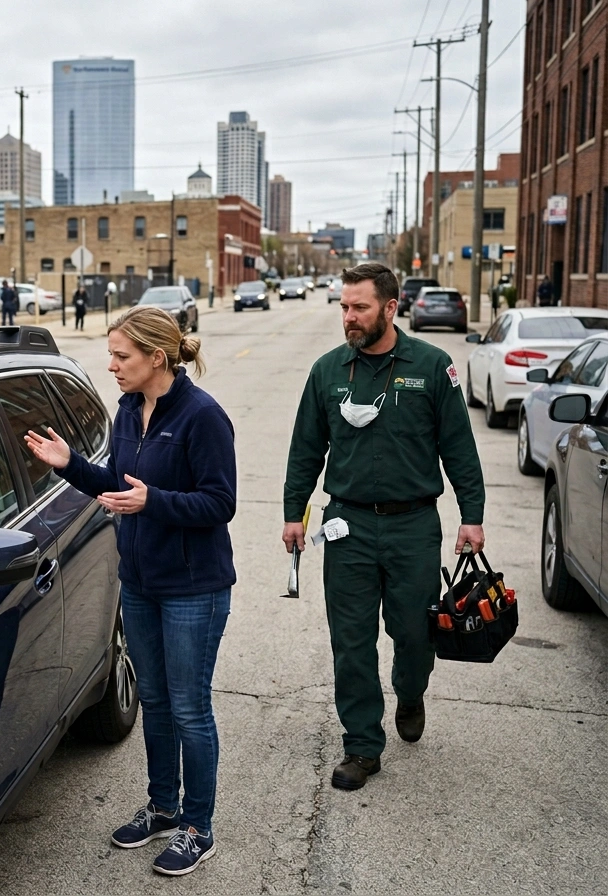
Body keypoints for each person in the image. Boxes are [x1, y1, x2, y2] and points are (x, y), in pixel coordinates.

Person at [25, 305, 236, 877]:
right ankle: (163, 807)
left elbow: (221, 503)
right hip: (139, 583)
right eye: (111, 355)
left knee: (190, 707)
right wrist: (69, 464)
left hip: (194, 587)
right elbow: (118, 485)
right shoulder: (125, 410)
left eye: (121, 356)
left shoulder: (202, 417)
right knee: (157, 701)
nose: (111, 365)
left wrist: (155, 502)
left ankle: (198, 827)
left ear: (156, 358)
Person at [282, 262, 486, 792]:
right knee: (351, 641)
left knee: (414, 635)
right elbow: (306, 449)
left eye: (360, 308)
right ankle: (362, 745)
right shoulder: (327, 371)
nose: (348, 317)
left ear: (390, 308)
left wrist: (472, 517)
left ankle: (411, 690)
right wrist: (294, 514)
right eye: (344, 307)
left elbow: (459, 448)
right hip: (346, 524)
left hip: (413, 526)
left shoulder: (432, 365)